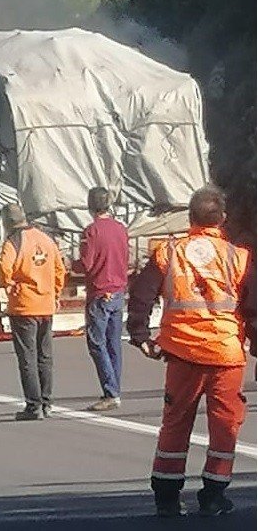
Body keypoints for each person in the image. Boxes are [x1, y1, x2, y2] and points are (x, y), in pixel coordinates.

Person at [127, 185, 255, 518]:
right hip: (225, 355)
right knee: (225, 426)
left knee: (175, 424)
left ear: (190, 218)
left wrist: (140, 334)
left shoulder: (169, 252)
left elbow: (141, 293)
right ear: (222, 219)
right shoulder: (238, 257)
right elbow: (253, 308)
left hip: (182, 353)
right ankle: (213, 497)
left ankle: (167, 499)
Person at [0, 203, 66, 420]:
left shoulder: (13, 242)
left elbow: (3, 268)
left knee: (27, 357)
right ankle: (46, 402)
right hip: (46, 305)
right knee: (45, 356)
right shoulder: (46, 238)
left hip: (24, 306)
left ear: (6, 223)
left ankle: (33, 406)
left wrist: (9, 284)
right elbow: (59, 269)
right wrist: (55, 293)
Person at [73, 186, 129, 411]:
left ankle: (111, 392)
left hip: (99, 291)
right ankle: (115, 389)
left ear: (90, 205)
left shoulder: (91, 232)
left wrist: (71, 263)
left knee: (97, 343)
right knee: (113, 343)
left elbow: (85, 264)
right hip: (118, 290)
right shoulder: (121, 228)